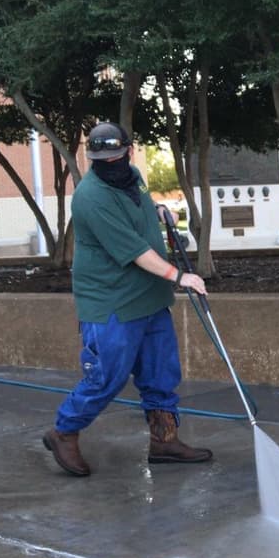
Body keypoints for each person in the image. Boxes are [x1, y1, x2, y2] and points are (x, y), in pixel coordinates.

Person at [42, 122, 214, 477]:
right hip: (112, 303)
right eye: (101, 159)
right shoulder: (90, 197)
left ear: (129, 151)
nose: (110, 163)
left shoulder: (131, 175)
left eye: (116, 156)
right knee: (105, 376)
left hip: (149, 297)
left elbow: (137, 203)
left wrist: (157, 209)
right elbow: (136, 252)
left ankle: (164, 440)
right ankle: (64, 431)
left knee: (161, 373)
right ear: (93, 158)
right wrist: (182, 276)